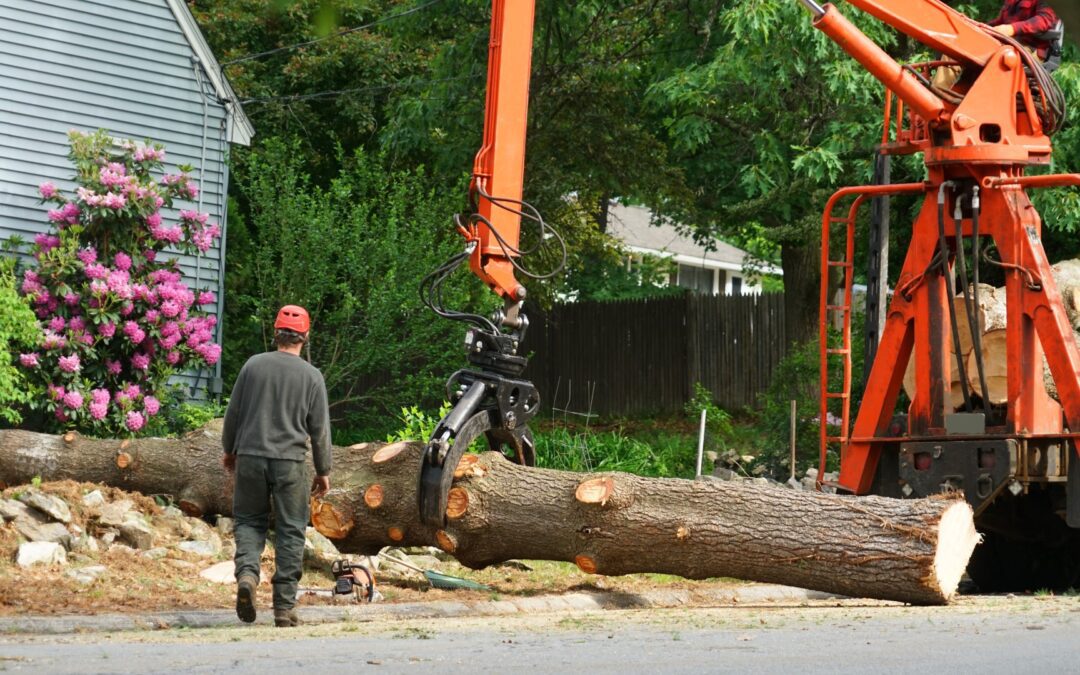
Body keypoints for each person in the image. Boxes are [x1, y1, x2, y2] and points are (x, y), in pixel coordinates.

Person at [222, 304, 332, 628]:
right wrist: (324, 470)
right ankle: (284, 608)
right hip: (291, 463)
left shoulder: (253, 366)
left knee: (248, 522)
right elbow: (320, 429)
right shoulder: (312, 377)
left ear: (276, 333)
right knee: (291, 530)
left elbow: (234, 413)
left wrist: (230, 450)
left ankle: (247, 576)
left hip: (251, 458)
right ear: (305, 337)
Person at [933, 0, 1060, 90]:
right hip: (1004, 45)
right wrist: (974, 26)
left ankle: (937, 97)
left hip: (1028, 50)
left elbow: (1045, 20)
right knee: (958, 48)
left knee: (961, 50)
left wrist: (1012, 28)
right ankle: (945, 96)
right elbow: (999, 23)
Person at [988, 0, 1060, 60]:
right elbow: (1000, 21)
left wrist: (1012, 28)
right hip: (1007, 42)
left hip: (1030, 48)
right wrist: (983, 27)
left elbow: (1044, 20)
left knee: (997, 58)